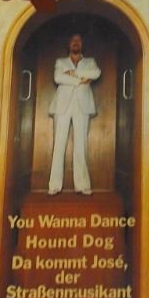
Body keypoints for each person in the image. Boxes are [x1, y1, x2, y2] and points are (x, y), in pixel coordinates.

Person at [47, 33, 101, 194]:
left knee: (81, 146)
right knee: (58, 145)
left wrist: (71, 74)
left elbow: (96, 73)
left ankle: (83, 186)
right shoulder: (60, 62)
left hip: (82, 106)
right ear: (69, 44)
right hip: (62, 106)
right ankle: (54, 186)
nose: (76, 43)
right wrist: (81, 79)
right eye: (73, 40)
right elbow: (57, 77)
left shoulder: (90, 62)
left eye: (79, 40)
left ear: (82, 44)